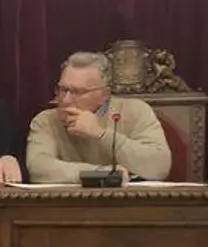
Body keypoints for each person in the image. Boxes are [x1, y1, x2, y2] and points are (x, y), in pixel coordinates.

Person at [27, 51, 171, 183]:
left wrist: (100, 134)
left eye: (77, 91)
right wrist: (101, 174)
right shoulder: (45, 121)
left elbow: (159, 167)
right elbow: (39, 168)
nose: (66, 100)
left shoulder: (136, 111)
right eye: (63, 90)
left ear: (104, 94)